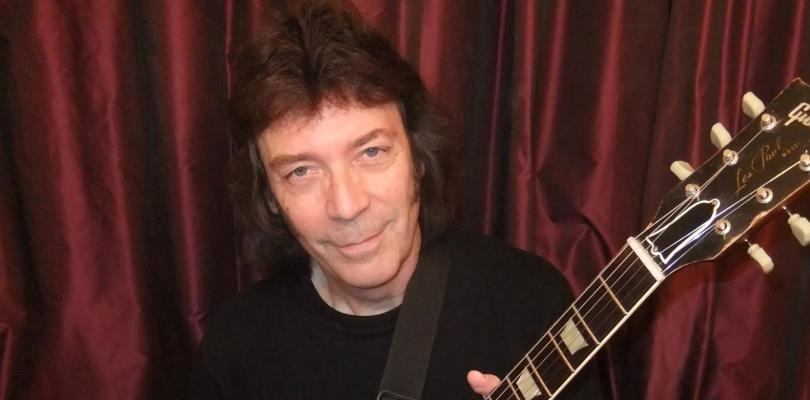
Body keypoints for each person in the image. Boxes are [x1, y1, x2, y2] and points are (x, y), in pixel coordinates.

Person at [189, 0, 605, 399]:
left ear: (418, 159)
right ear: (270, 197)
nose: (347, 206)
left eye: (371, 152)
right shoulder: (234, 352)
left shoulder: (530, 303)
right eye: (301, 172)